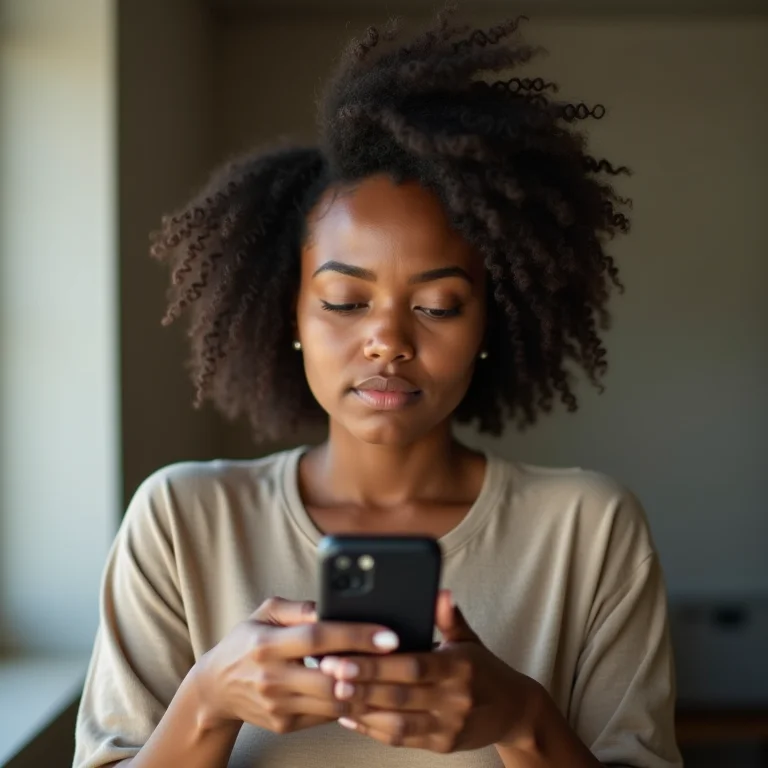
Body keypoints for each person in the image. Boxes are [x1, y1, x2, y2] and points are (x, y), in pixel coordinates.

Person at [73, 9, 682, 768]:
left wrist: (521, 718)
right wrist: (207, 701)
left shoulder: (588, 530)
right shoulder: (180, 521)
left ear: (490, 324)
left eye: (439, 306)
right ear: (290, 314)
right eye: (344, 301)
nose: (388, 340)